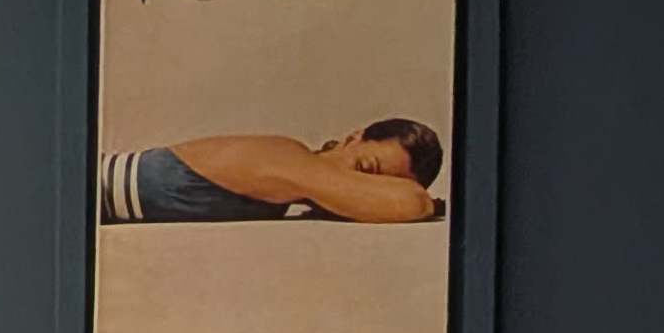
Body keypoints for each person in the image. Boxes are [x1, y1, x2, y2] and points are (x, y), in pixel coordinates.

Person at [98, 117, 443, 224]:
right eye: (365, 168)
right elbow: (414, 203)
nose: (360, 187)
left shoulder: (292, 196)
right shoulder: (287, 156)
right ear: (354, 137)